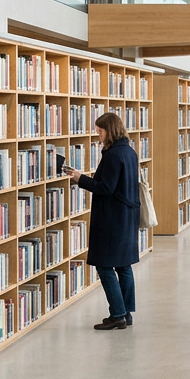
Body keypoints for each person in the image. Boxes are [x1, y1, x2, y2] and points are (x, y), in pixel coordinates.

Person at [66, 112, 141, 330]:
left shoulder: (112, 155)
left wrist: (80, 179)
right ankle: (126, 313)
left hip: (112, 218)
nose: (98, 135)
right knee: (124, 265)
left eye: (100, 131)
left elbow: (106, 188)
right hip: (127, 216)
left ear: (110, 130)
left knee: (104, 265)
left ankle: (117, 314)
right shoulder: (129, 151)